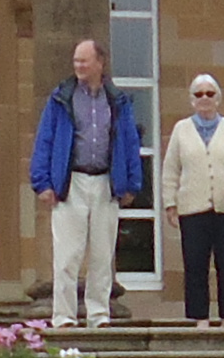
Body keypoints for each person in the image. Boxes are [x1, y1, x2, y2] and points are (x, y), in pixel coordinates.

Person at [25, 36, 146, 328]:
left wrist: (132, 182)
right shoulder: (61, 97)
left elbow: (130, 141)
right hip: (71, 182)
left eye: (84, 60)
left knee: (103, 255)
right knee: (67, 255)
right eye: (76, 60)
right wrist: (42, 182)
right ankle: (64, 316)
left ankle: (99, 315)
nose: (78, 65)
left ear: (99, 63)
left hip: (106, 181)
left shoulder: (117, 100)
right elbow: (45, 139)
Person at [156, 72, 224, 326]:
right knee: (195, 264)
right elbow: (170, 170)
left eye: (210, 94)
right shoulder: (181, 130)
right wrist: (170, 204)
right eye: (199, 94)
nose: (204, 98)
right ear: (192, 100)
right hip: (192, 209)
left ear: (217, 99)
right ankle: (200, 318)